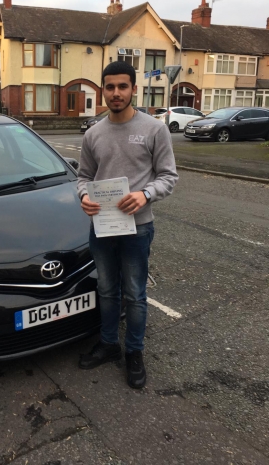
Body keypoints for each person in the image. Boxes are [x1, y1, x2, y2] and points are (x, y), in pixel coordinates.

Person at [77, 61, 178, 389]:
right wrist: (84, 197)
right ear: (103, 90)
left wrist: (145, 194)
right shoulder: (93, 133)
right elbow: (83, 178)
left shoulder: (154, 129)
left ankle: (134, 351)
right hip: (103, 227)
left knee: (134, 294)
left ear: (134, 89)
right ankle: (109, 344)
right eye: (110, 87)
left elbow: (168, 176)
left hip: (138, 227)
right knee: (106, 290)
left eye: (123, 86)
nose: (116, 93)